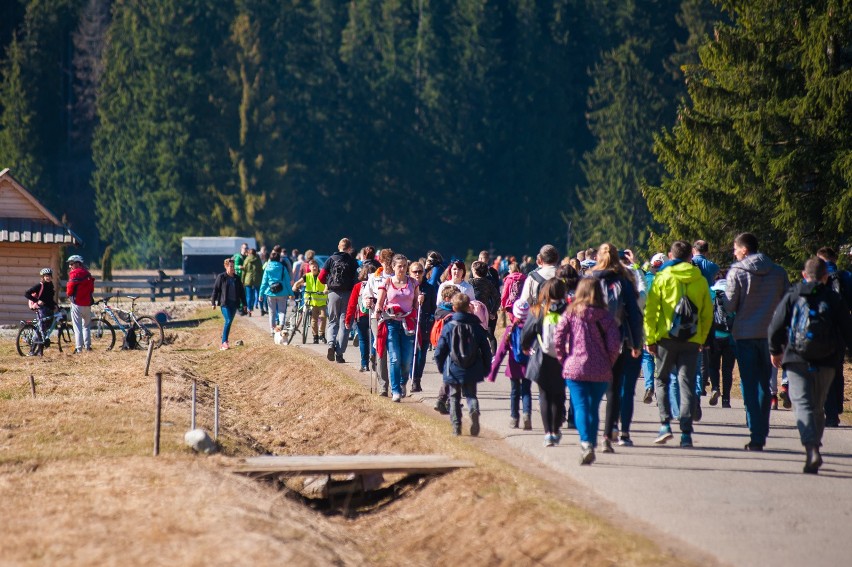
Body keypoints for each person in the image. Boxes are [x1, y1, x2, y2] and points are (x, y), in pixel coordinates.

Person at [768, 257, 852, 473]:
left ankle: (811, 446)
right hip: (827, 360)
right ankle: (815, 443)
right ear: (825, 277)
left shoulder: (794, 295)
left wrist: (775, 350)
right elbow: (847, 329)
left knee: (803, 404)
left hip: (796, 358)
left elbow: (776, 325)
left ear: (804, 275)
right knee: (818, 405)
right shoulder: (833, 298)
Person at [643, 240, 713, 448]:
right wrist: (700, 338)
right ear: (690, 257)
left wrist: (650, 339)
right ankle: (686, 432)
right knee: (687, 382)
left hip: (665, 338)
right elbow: (706, 313)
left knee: (662, 379)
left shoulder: (662, 278)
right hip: (691, 339)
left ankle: (665, 423)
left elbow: (651, 311)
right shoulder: (699, 280)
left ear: (670, 256)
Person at [724, 232, 789, 450]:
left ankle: (756, 431)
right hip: (772, 335)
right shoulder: (778, 272)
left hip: (745, 334)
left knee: (749, 383)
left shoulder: (737, 272)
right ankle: (762, 427)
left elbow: (730, 305)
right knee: (765, 383)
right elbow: (786, 303)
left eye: (735, 249)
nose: (734, 254)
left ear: (744, 250)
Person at [555, 278, 622, 464]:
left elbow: (558, 338)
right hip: (600, 368)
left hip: (575, 367)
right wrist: (608, 361)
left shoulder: (570, 314)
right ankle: (591, 441)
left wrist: (564, 359)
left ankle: (586, 443)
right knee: (593, 407)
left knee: (580, 406)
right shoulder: (607, 317)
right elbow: (615, 344)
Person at [588, 243, 643, 452]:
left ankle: (589, 433)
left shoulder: (590, 278)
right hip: (617, 340)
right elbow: (634, 315)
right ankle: (609, 433)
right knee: (614, 389)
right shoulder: (624, 280)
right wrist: (636, 342)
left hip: (592, 340)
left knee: (592, 388)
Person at [434, 292, 492, 436]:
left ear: (453, 308)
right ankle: (473, 410)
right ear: (468, 307)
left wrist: (441, 366)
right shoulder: (477, 326)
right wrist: (486, 367)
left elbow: (440, 349)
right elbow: (485, 348)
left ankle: (456, 426)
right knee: (471, 395)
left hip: (453, 367)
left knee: (454, 396)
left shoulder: (449, 326)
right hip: (472, 366)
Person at [521, 278, 569, 447]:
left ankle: (548, 433)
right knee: (559, 395)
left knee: (544, 395)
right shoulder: (569, 310)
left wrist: (525, 346)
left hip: (542, 357)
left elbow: (527, 332)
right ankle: (556, 430)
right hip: (564, 358)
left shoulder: (538, 310)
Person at [374, 254, 421, 402]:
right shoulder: (387, 283)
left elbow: (416, 304)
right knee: (394, 358)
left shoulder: (413, 283)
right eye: (399, 266)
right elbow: (379, 303)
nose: (402, 269)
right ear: (393, 267)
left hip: (408, 324)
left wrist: (420, 301)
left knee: (406, 361)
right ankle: (395, 390)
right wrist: (377, 310)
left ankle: (402, 384)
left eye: (404, 266)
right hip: (391, 323)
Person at [816, 246, 852, 427]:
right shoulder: (845, 276)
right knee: (838, 369)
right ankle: (837, 407)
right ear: (835, 258)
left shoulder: (817, 274)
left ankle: (830, 414)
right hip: (842, 328)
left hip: (822, 329)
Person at [487, 300, 532, 429]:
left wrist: (493, 373)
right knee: (526, 391)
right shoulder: (532, 328)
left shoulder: (510, 329)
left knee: (514, 392)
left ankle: (514, 418)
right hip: (528, 366)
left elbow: (500, 353)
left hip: (514, 367)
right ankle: (526, 415)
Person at [319, 238, 359, 363]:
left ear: (338, 246)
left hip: (333, 294)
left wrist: (329, 282)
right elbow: (356, 279)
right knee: (345, 324)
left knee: (332, 321)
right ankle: (340, 354)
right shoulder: (352, 261)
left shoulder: (330, 259)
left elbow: (321, 277)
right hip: (348, 294)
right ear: (349, 248)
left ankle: (331, 344)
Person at [641, 253, 666, 403]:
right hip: (663, 322)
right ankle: (660, 390)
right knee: (661, 357)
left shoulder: (646, 279)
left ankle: (649, 385)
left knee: (647, 356)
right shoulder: (667, 279)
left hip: (647, 321)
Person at [708, 273, 735, 408]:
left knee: (713, 366)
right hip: (730, 338)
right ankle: (726, 399)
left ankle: (715, 388)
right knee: (727, 370)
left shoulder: (711, 292)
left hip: (714, 336)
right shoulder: (733, 293)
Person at [409, 261, 436, 392]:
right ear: (410, 273)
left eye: (420, 271)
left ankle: (416, 379)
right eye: (415, 272)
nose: (418, 274)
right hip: (410, 324)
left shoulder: (429, 288)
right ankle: (410, 376)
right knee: (410, 354)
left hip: (424, 326)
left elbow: (434, 309)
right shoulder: (407, 286)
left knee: (421, 355)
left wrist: (431, 319)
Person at [211, 257, 246, 350]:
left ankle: (224, 338)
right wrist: (213, 302)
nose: (232, 268)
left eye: (233, 266)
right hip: (225, 303)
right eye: (230, 266)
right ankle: (224, 342)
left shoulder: (237, 278)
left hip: (234, 304)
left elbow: (242, 292)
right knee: (228, 320)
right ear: (226, 267)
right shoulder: (221, 277)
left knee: (229, 322)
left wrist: (245, 304)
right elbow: (216, 290)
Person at [292, 259, 328, 344]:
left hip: (321, 301)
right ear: (310, 267)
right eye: (313, 266)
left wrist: (326, 290)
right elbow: (298, 282)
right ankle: (315, 336)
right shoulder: (307, 276)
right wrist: (295, 286)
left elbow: (327, 284)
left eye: (316, 266)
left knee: (323, 317)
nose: (314, 267)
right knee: (314, 319)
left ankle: (321, 334)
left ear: (318, 267)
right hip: (311, 301)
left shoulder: (322, 275)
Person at [259, 250, 294, 335]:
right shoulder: (282, 268)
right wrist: (291, 294)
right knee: (281, 311)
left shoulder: (267, 267)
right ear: (279, 259)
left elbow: (264, 282)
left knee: (272, 312)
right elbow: (287, 281)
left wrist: (261, 294)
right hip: (282, 292)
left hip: (270, 292)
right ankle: (281, 326)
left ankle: (272, 330)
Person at [24, 268, 58, 355]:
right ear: (43, 277)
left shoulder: (51, 285)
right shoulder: (40, 285)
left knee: (44, 331)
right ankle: (36, 351)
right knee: (41, 330)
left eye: (49, 276)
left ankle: (37, 351)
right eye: (46, 276)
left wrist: (56, 305)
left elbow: (49, 299)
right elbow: (27, 293)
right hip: (42, 309)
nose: (48, 277)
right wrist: (36, 300)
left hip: (49, 309)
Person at [66, 254, 95, 354]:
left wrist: (69, 296)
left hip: (77, 304)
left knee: (77, 327)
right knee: (86, 326)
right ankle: (87, 346)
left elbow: (69, 289)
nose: (70, 266)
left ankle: (79, 349)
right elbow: (91, 289)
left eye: (71, 264)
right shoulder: (87, 274)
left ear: (77, 264)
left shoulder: (74, 274)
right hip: (87, 304)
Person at [470, 260, 500, 353]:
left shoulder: (470, 283)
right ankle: (493, 355)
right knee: (489, 336)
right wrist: (493, 312)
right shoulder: (489, 283)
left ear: (475, 271)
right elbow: (498, 298)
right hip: (486, 312)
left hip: (473, 313)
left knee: (473, 336)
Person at [241, 248, 262, 315]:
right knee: (259, 294)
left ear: (249, 253)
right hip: (257, 279)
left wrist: (242, 280)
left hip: (248, 279)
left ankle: (249, 310)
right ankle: (261, 309)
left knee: (248, 296)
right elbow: (260, 270)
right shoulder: (258, 259)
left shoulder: (247, 260)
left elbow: (244, 271)